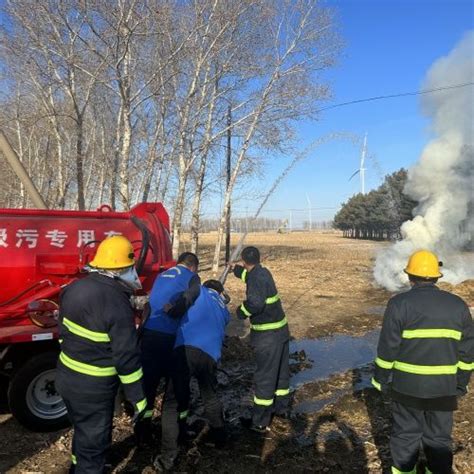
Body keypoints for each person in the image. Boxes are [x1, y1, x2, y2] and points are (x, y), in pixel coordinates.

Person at [372, 250, 473, 474]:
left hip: (407, 388)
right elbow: (467, 352)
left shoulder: (398, 304)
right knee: (438, 439)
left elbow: (387, 347)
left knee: (405, 436)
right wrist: (461, 383)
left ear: (410, 277)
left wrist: (381, 379)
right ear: (437, 277)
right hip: (443, 389)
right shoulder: (458, 305)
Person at [56, 235, 146, 473]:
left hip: (66, 377)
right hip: (94, 388)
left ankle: (78, 466)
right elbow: (127, 358)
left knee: (83, 431)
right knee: (94, 446)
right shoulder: (117, 303)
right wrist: (138, 397)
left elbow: (62, 331)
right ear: (122, 269)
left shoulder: (72, 288)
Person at [155, 279, 231, 471]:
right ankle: (220, 438)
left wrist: (170, 310)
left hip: (186, 349)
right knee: (210, 396)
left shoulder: (199, 289)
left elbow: (185, 301)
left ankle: (167, 458)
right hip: (211, 355)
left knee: (172, 403)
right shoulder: (224, 309)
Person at [138, 252, 200, 442]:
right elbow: (190, 299)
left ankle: (142, 432)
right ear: (193, 266)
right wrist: (174, 312)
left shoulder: (161, 275)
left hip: (148, 336)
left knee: (148, 386)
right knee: (178, 388)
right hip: (170, 339)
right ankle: (179, 430)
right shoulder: (192, 277)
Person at [233, 246, 290, 432]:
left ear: (244, 260)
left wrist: (241, 312)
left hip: (267, 337)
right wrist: (236, 270)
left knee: (265, 377)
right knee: (281, 374)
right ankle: (282, 409)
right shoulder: (263, 272)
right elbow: (250, 276)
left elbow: (255, 303)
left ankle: (260, 421)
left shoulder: (256, 278)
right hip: (281, 333)